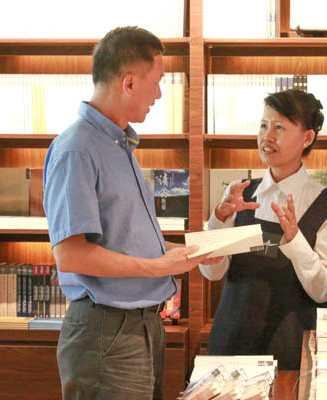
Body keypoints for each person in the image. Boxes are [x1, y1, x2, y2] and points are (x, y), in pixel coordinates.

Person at [43, 26, 213, 400]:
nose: (160, 93)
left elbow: (124, 238)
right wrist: (157, 268)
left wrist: (184, 251)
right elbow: (70, 254)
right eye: (158, 82)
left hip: (140, 326)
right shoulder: (77, 149)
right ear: (130, 83)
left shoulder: (120, 145)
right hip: (107, 329)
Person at [199, 89, 327, 370]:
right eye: (263, 125)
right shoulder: (240, 194)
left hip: (290, 351)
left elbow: (326, 290)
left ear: (307, 137)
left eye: (279, 127)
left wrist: (294, 241)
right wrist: (219, 217)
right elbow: (212, 272)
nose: (267, 137)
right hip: (230, 344)